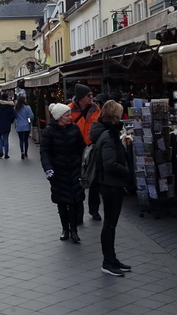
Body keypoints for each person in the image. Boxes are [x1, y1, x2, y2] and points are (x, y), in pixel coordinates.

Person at [90, 100, 133, 277]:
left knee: (111, 224)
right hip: (110, 185)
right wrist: (127, 171)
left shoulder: (107, 133)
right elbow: (109, 164)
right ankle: (108, 262)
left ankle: (112, 259)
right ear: (114, 116)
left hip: (110, 184)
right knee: (109, 225)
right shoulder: (108, 136)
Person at [40, 103, 86, 243]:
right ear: (59, 117)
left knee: (73, 202)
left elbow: (82, 148)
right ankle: (65, 229)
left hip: (74, 170)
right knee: (61, 202)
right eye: (67, 115)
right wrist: (48, 168)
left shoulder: (75, 129)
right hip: (58, 172)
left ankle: (74, 230)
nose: (70, 117)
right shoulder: (49, 132)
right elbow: (45, 152)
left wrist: (83, 164)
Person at [68, 83, 100, 222]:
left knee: (94, 180)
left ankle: (94, 210)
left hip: (92, 148)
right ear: (81, 98)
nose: (91, 97)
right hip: (76, 149)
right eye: (89, 95)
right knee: (78, 182)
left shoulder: (95, 109)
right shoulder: (69, 110)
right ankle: (79, 214)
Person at [0, 91, 16, 159]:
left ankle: (1, 151)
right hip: (7, 124)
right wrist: (10, 121)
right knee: (6, 138)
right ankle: (6, 153)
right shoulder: (10, 106)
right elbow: (13, 115)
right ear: (7, 98)